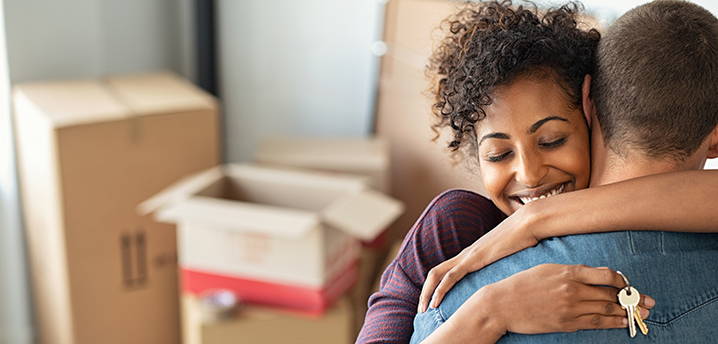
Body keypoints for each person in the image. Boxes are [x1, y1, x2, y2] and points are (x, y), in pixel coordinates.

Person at [356, 1, 718, 343]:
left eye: (552, 140)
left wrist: (535, 219)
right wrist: (488, 312)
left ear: (589, 108)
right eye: (498, 155)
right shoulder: (453, 228)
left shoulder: (464, 294)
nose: (529, 174)